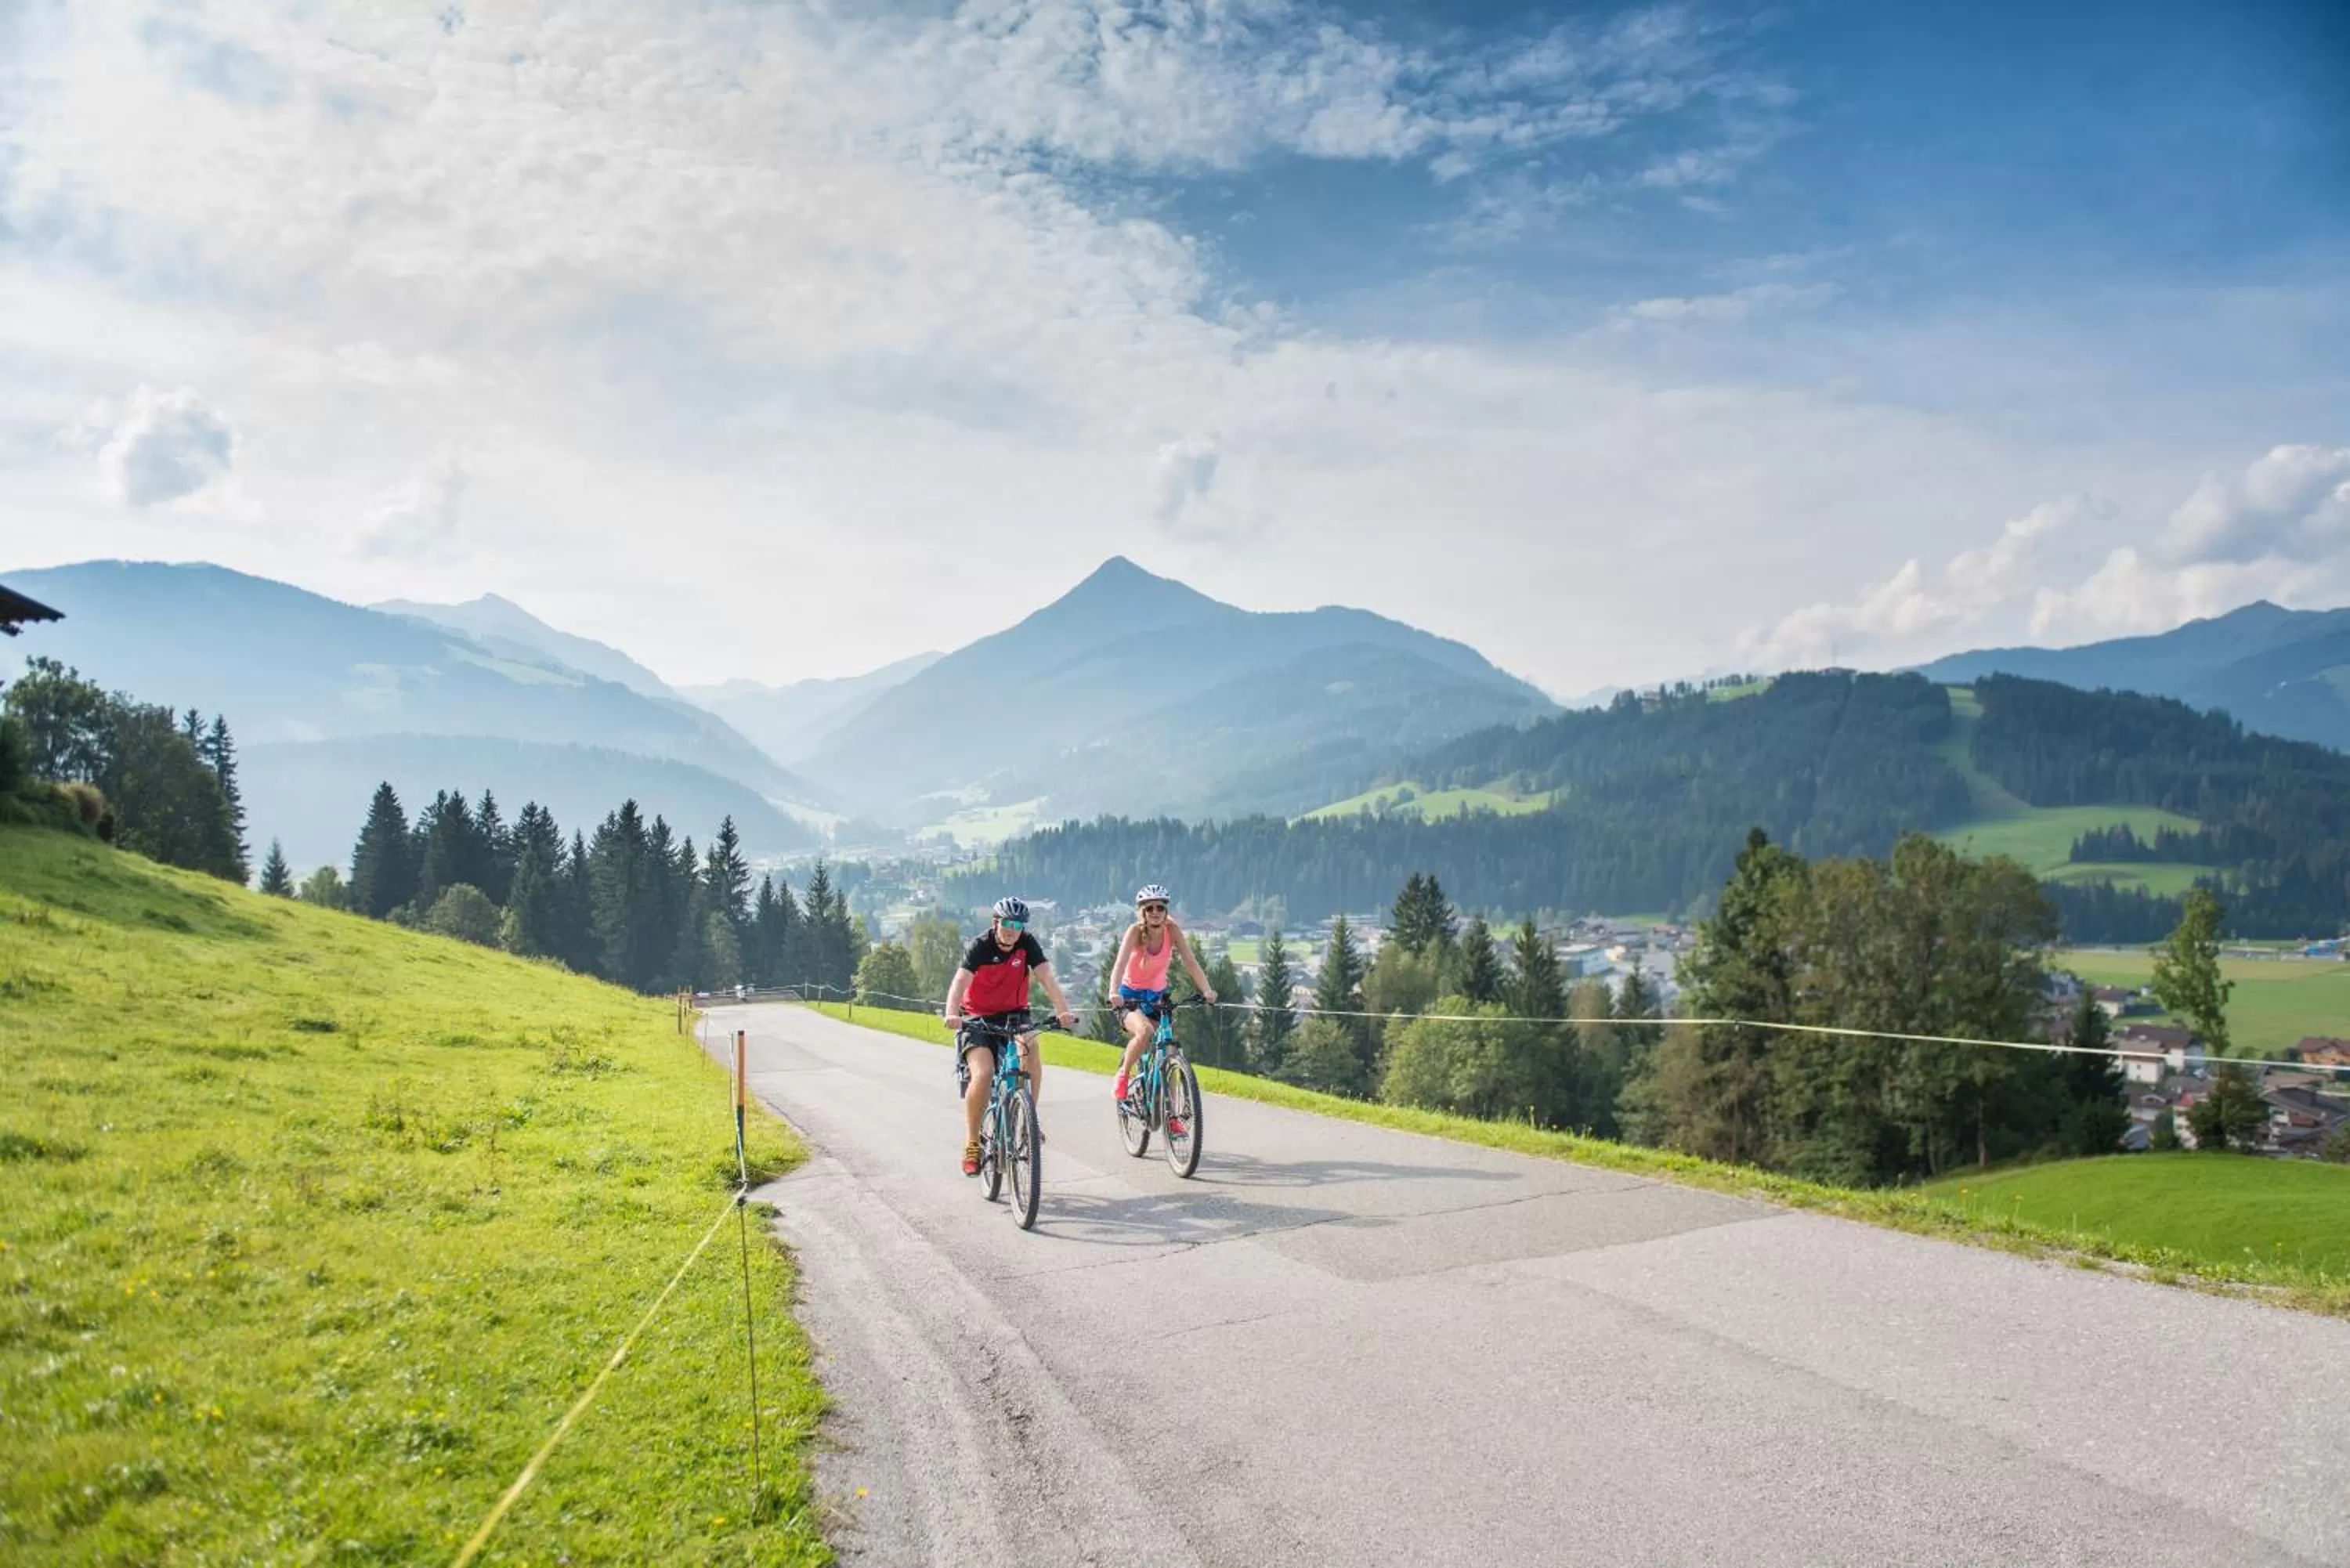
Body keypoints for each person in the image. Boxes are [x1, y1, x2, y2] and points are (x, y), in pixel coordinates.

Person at [942, 895, 1076, 1176]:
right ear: (996, 922)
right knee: (984, 1073)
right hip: (977, 1018)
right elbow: (960, 981)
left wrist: (1063, 1011)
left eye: (1017, 925)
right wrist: (952, 1013)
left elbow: (1047, 978)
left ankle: (1029, 1119)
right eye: (1007, 923)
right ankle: (973, 1144)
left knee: (1032, 1045)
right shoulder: (980, 946)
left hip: (1015, 1014)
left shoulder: (1027, 944)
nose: (1012, 930)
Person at [1104, 883, 1216, 1104]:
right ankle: (1123, 1075)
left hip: (1157, 997)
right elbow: (1120, 963)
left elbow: (1190, 962)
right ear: (1143, 912)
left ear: (1166, 911)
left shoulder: (1172, 931)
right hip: (1129, 997)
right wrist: (1113, 992)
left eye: (1160, 908)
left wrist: (1207, 990)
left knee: (1169, 1049)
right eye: (1150, 908)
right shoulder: (1135, 932)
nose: (1155, 912)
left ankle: (1172, 1111)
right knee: (1144, 1031)